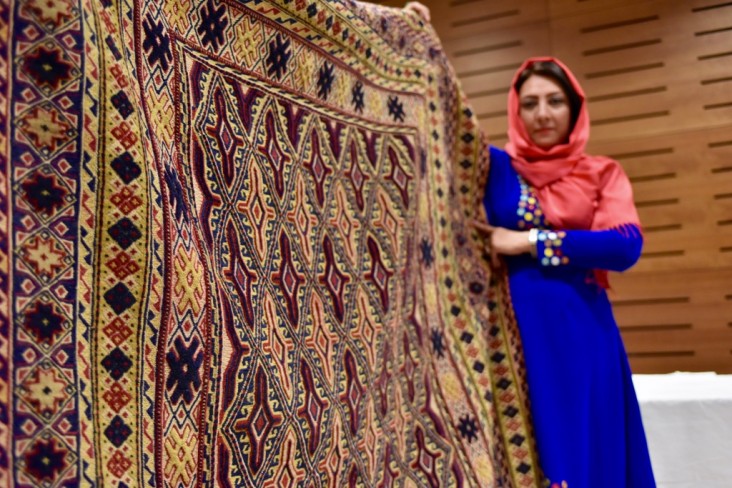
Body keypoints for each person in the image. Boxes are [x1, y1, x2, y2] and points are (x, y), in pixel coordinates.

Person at [473, 58, 656, 487]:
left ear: (574, 108)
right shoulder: (496, 168)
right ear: (515, 111)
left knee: (587, 447)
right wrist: (418, 40)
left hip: (583, 335)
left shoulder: (600, 172)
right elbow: (436, 131)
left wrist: (528, 241)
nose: (542, 114)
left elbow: (624, 245)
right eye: (530, 102)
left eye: (555, 101)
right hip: (510, 336)